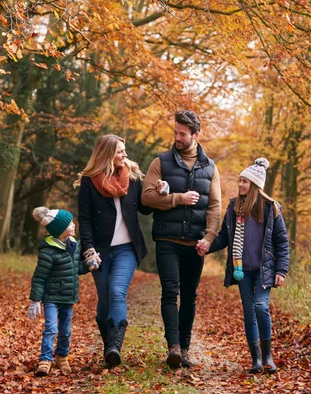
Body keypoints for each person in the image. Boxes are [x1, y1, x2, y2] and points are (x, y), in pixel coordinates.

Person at [141, 110, 221, 368]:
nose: (177, 137)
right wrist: (178, 198)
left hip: (195, 243)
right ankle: (173, 346)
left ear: (195, 135)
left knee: (189, 296)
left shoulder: (210, 167)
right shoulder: (161, 162)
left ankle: (185, 348)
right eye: (175, 132)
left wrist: (209, 237)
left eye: (182, 134)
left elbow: (215, 207)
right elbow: (147, 198)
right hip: (167, 240)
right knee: (170, 291)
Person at [206, 158, 290, 374]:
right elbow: (225, 236)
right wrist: (206, 246)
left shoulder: (271, 209)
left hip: (264, 271)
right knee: (249, 312)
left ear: (255, 185)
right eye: (239, 181)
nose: (240, 185)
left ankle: (268, 356)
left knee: (261, 306)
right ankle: (256, 360)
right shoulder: (235, 208)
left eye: (244, 181)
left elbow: (282, 241)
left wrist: (281, 270)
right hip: (242, 271)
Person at [77, 134, 151, 368]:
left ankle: (114, 347)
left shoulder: (133, 178)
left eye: (125, 150)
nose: (125, 155)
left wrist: (160, 189)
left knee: (117, 291)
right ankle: (109, 344)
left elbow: (146, 208)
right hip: (99, 250)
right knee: (105, 297)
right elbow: (85, 219)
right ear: (107, 153)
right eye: (120, 151)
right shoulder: (89, 182)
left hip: (127, 249)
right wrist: (88, 248)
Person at [27, 206, 84, 377]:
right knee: (51, 328)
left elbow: (75, 269)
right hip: (51, 297)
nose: (74, 225)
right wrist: (35, 301)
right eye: (70, 223)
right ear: (60, 230)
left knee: (65, 331)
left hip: (68, 297)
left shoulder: (73, 245)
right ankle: (45, 360)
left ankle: (62, 357)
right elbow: (39, 277)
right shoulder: (48, 252)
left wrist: (89, 265)